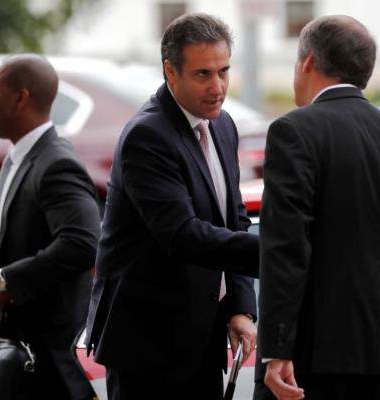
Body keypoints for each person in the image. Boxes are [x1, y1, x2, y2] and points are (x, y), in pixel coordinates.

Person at [255, 15, 380, 400]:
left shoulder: (294, 130)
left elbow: (285, 248)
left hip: (313, 352)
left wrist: (276, 349)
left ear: (307, 62)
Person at [84, 12, 259, 400]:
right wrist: (280, 250)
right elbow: (182, 235)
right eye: (203, 74)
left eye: (224, 71)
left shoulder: (223, 125)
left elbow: (234, 219)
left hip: (202, 337)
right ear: (171, 71)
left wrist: (240, 308)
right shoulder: (148, 135)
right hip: (148, 346)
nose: (218, 87)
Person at [0, 54, 101, 400]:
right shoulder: (16, 158)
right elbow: (25, 244)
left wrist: (10, 279)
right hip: (13, 353)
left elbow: (82, 242)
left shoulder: (57, 163)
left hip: (46, 360)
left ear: (20, 98)